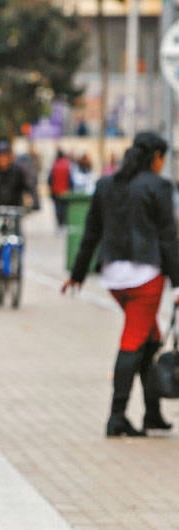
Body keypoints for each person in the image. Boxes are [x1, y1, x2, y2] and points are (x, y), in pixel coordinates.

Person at [61, 131, 178, 437]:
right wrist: (178, 285)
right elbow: (168, 238)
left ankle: (152, 413)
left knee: (150, 340)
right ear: (155, 157)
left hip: (113, 278)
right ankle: (117, 418)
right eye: (162, 158)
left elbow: (91, 232)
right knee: (132, 343)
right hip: (146, 280)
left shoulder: (106, 184)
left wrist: (77, 274)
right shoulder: (159, 186)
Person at [0, 141, 31, 256]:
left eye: (5, 156)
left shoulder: (18, 170)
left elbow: (29, 186)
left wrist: (34, 203)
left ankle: (18, 258)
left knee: (19, 234)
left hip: (14, 207)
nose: (3, 160)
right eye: (1, 156)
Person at [48, 149, 73, 229]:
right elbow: (70, 179)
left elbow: (50, 179)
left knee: (57, 208)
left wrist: (51, 188)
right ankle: (63, 222)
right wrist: (70, 189)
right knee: (64, 207)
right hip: (65, 191)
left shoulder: (54, 165)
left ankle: (59, 223)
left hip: (56, 191)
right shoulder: (67, 165)